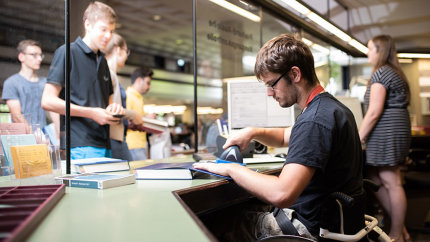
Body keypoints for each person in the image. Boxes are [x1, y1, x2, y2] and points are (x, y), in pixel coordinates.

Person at [193, 33, 364, 241]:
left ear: (294, 74)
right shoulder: (333, 110)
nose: (269, 93)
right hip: (336, 219)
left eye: (272, 84)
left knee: (217, 221)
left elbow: (282, 194)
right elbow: (285, 136)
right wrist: (253, 132)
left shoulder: (314, 121)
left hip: (309, 228)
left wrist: (230, 168)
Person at [41, 1, 124, 159]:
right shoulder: (67, 52)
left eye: (111, 31)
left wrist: (115, 110)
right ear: (88, 25)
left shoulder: (102, 61)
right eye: (103, 29)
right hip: (80, 145)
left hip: (105, 143)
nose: (108, 36)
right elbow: (47, 101)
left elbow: (109, 103)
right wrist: (91, 113)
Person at [359, 35, 411, 242]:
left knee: (391, 180)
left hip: (387, 131)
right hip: (392, 129)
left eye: (370, 48)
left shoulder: (381, 73)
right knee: (376, 177)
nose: (367, 52)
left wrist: (358, 138)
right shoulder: (394, 71)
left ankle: (397, 234)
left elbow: (373, 112)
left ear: (380, 50)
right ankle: (402, 228)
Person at [2, 40, 59, 131]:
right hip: (22, 138)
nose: (39, 59)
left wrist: (58, 134)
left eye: (40, 55)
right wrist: (33, 136)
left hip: (43, 135)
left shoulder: (45, 83)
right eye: (34, 55)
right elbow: (17, 116)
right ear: (21, 57)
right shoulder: (11, 83)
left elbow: (53, 110)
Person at [105, 33, 142, 161]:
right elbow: (112, 109)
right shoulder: (109, 75)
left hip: (117, 135)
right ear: (118, 50)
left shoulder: (110, 75)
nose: (127, 56)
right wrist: (133, 115)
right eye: (126, 51)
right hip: (115, 137)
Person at [125, 67, 152, 161]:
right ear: (140, 80)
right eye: (148, 83)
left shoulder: (138, 98)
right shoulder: (128, 96)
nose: (149, 87)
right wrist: (145, 119)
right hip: (133, 145)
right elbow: (125, 121)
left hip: (141, 144)